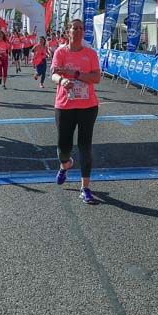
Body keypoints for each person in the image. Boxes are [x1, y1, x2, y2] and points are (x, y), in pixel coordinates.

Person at [51, 19, 102, 205]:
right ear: (68, 31)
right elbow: (54, 73)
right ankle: (65, 164)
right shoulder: (60, 52)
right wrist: (62, 81)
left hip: (88, 106)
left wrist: (77, 75)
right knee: (63, 147)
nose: (78, 31)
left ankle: (85, 187)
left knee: (85, 146)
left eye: (81, 28)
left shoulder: (90, 53)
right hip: (65, 105)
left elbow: (97, 78)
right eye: (75, 28)